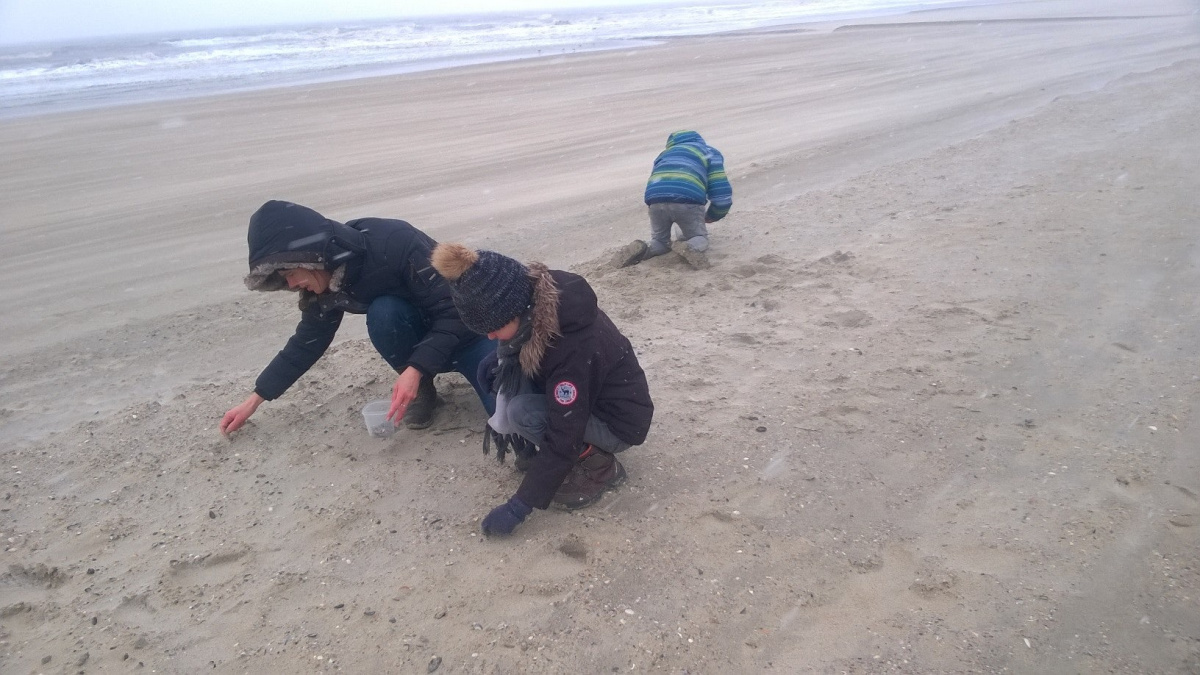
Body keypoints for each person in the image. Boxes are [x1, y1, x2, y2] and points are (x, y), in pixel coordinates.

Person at [430, 243, 654, 536]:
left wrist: (519, 506)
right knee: (506, 377)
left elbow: (564, 431)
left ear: (516, 310)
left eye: (495, 326)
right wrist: (497, 358)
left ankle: (598, 464)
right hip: (594, 398)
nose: (489, 335)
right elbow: (517, 344)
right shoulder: (541, 300)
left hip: (618, 423)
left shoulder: (570, 349)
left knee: (521, 412)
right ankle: (564, 459)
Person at [219, 200, 496, 436]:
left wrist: (414, 368)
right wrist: (255, 399)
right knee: (384, 312)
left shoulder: (393, 241)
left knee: (513, 427)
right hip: (427, 345)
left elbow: (455, 310)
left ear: (310, 258)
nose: (291, 284)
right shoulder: (325, 284)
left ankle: (433, 376)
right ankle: (424, 391)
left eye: (290, 274)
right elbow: (307, 342)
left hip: (475, 333)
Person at [618, 130, 733, 269]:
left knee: (660, 241)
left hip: (655, 198)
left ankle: (646, 249)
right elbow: (721, 192)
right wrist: (713, 215)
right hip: (688, 198)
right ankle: (689, 247)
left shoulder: (664, 154)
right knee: (699, 237)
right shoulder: (709, 152)